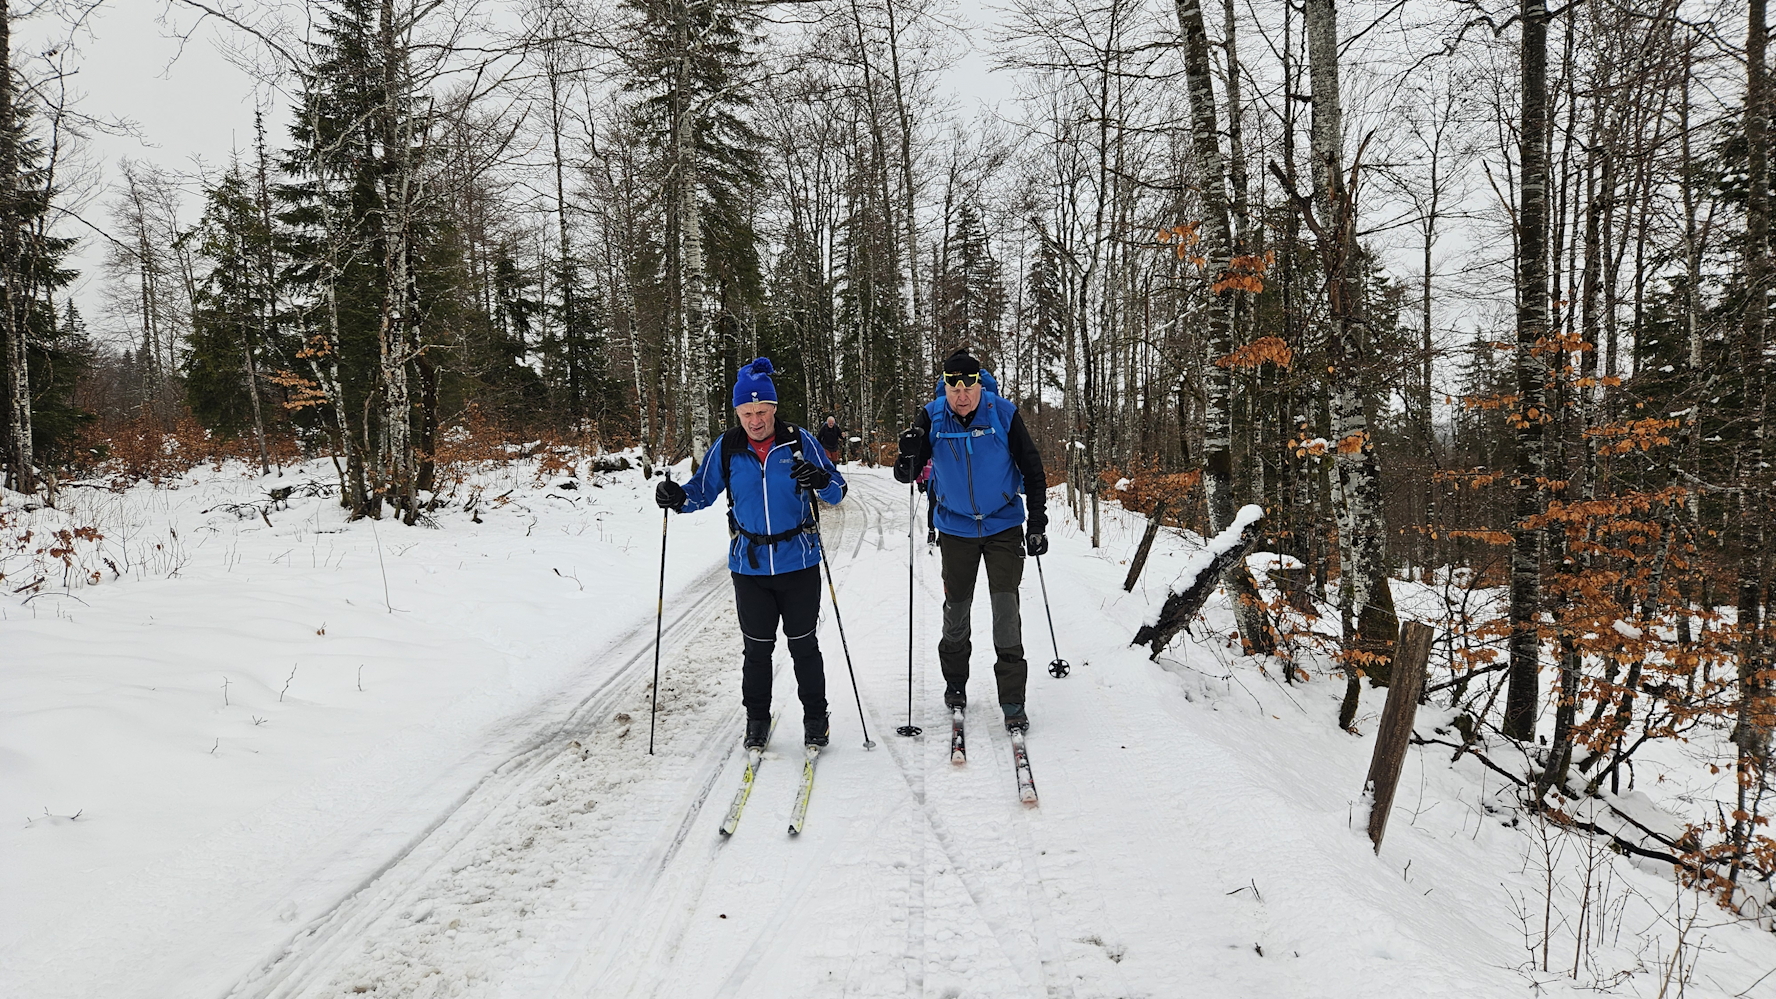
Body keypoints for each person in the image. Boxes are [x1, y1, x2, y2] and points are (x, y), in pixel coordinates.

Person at [655, 358, 848, 748]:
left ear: (773, 408)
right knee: (757, 650)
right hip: (749, 565)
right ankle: (757, 719)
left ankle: (816, 717)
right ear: (738, 412)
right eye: (747, 412)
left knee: (804, 645)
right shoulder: (728, 447)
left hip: (799, 561)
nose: (755, 420)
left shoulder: (798, 441)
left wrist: (820, 478)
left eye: (762, 411)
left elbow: (837, 490)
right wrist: (676, 498)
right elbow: (700, 491)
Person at [893, 350, 1048, 732]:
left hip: (1003, 525)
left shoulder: (1003, 414)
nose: (961, 396)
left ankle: (1012, 701)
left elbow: (1032, 469)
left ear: (980, 384)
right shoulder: (932, 417)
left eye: (968, 387)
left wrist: (1037, 523)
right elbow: (908, 474)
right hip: (956, 529)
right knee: (956, 613)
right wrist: (905, 455)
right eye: (954, 388)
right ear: (945, 386)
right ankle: (955, 684)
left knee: (1006, 614)